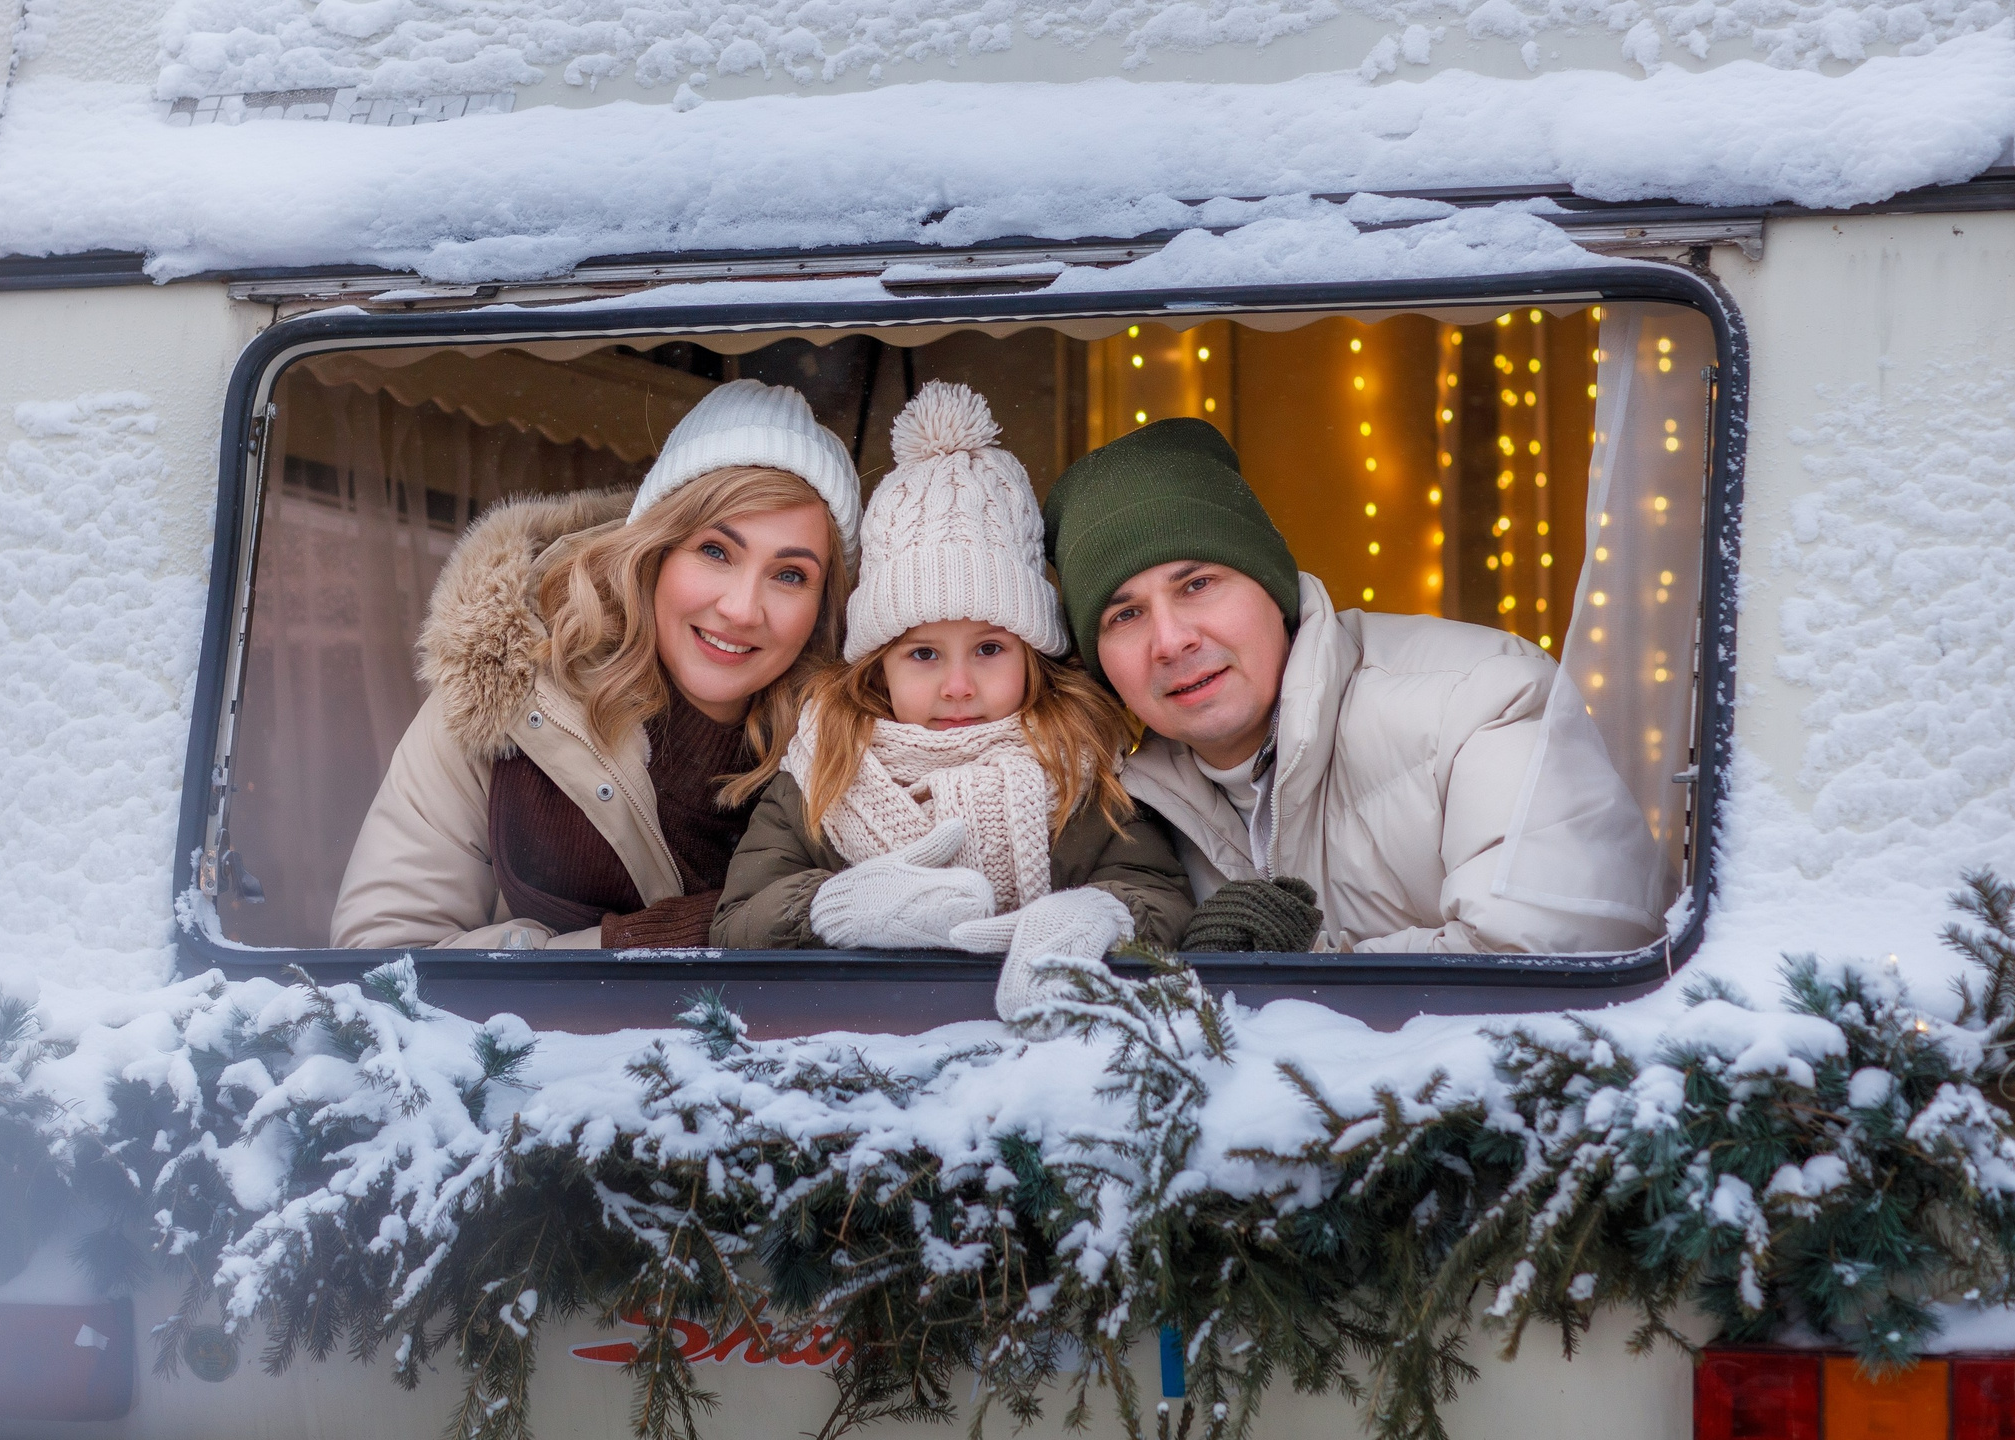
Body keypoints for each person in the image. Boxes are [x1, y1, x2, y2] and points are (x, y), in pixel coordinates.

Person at [1041, 418, 1671, 956]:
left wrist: (1271, 979)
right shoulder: (1113, 806)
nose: (1171, 640)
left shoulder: (1477, 700)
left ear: (1272, 586)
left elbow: (1565, 949)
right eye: (1124, 615)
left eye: (1197, 584)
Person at [330, 380, 861, 950]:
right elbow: (378, 970)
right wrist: (633, 947)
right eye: (715, 551)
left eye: (789, 575)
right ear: (653, 551)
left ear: (823, 608)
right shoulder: (505, 701)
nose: (740, 608)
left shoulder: (865, 751)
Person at [714, 383, 1189, 1017]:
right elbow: (736, 922)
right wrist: (826, 905)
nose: (958, 686)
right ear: (879, 666)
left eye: (989, 649)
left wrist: (1105, 913)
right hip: (864, 1045)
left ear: (1031, 653)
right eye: (924, 654)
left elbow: (1164, 893)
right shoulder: (823, 765)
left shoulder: (1082, 764)